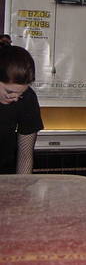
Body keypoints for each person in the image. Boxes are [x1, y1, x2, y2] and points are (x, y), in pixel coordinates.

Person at [0, 46, 43, 174]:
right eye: (9, 92)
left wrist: (22, 183)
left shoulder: (28, 99)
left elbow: (25, 155)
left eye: (21, 94)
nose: (15, 98)